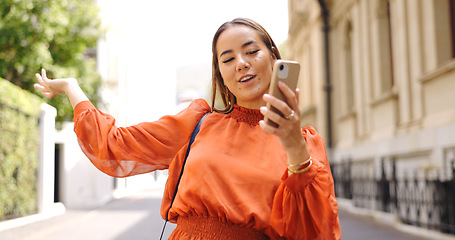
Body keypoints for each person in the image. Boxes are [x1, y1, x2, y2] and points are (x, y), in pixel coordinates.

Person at [34, 18, 341, 240]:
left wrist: (293, 148)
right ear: (220, 74)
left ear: (274, 56)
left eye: (251, 51)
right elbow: (116, 146)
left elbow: (316, 230)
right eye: (228, 58)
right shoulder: (199, 121)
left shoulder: (304, 143)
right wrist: (73, 89)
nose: (241, 64)